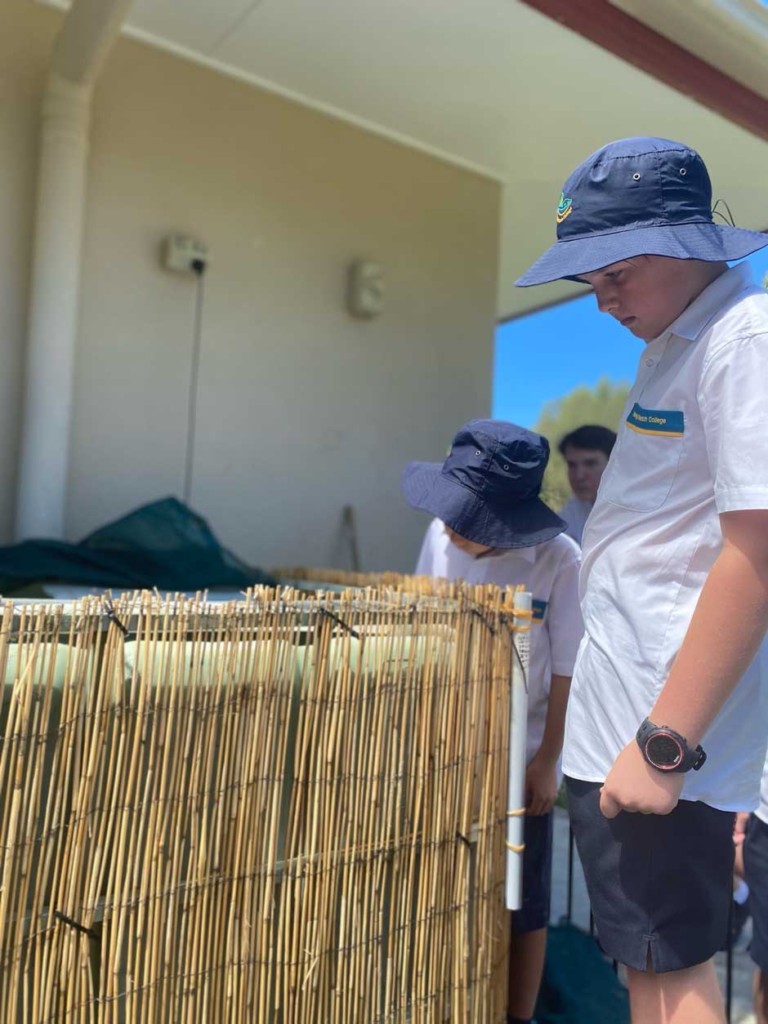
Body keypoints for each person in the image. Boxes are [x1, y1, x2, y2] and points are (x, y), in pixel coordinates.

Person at [516, 136, 768, 1024]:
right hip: (619, 721)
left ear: (690, 240)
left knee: (673, 973)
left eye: (616, 269)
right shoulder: (676, 342)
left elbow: (757, 550)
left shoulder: (746, 339)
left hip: (662, 734)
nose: (602, 296)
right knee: (642, 965)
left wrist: (666, 743)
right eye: (589, 278)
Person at [402, 419, 583, 1024]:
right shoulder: (437, 537)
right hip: (445, 749)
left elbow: (568, 669)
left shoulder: (558, 561)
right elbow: (420, 631)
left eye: (465, 518)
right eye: (449, 512)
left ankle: (519, 1014)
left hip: (519, 754)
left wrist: (547, 760)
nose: (451, 527)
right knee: (446, 883)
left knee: (525, 900)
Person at [557, 424, 617, 544]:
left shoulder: (640, 508)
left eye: (590, 464)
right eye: (572, 465)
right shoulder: (572, 511)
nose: (579, 476)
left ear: (614, 464)